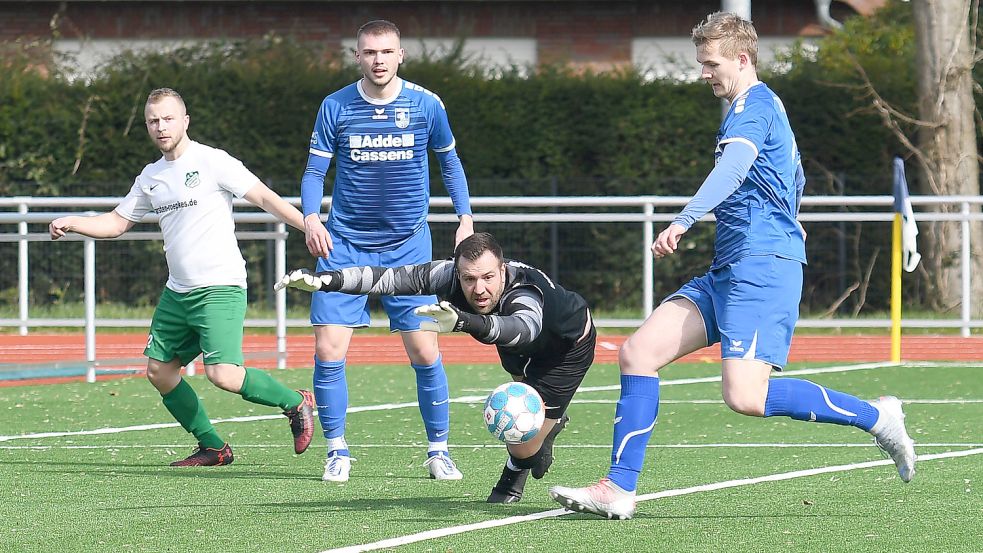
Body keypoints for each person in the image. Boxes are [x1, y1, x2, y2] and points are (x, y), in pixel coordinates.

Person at [548, 12, 917, 520]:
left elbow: (735, 167)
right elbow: (793, 173)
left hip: (760, 267)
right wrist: (790, 214)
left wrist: (684, 220)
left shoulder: (755, 105)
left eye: (711, 63)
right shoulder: (753, 109)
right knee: (638, 353)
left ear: (742, 58)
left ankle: (877, 416)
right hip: (730, 267)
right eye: (702, 63)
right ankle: (619, 488)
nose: (704, 73)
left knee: (744, 396)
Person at [49, 87, 316, 467]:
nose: (161, 127)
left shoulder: (213, 161)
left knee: (223, 374)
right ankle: (214, 447)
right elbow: (116, 223)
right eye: (153, 121)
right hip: (178, 293)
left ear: (185, 121)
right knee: (159, 372)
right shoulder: (151, 176)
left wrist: (307, 225)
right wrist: (73, 222)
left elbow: (265, 198)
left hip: (220, 288)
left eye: (168, 118)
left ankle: (296, 403)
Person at [276, 232, 593, 502]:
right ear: (458, 272)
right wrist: (327, 281)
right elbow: (388, 279)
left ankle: (515, 472)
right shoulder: (447, 274)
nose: (478, 289)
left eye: (487, 277)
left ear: (503, 269)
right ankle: (548, 428)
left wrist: (464, 321)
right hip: (518, 349)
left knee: (523, 443)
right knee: (525, 419)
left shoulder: (524, 292)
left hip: (565, 349)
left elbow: (520, 330)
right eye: (469, 279)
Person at [299, 19, 474, 482]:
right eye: (370, 52)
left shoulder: (426, 105)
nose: (378, 59)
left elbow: (450, 163)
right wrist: (312, 217)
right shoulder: (335, 106)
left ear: (400, 56)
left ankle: (439, 450)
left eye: (387, 51)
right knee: (328, 347)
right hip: (345, 244)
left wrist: (465, 220)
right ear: (357, 56)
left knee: (423, 349)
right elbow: (314, 172)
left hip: (408, 248)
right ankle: (337, 450)